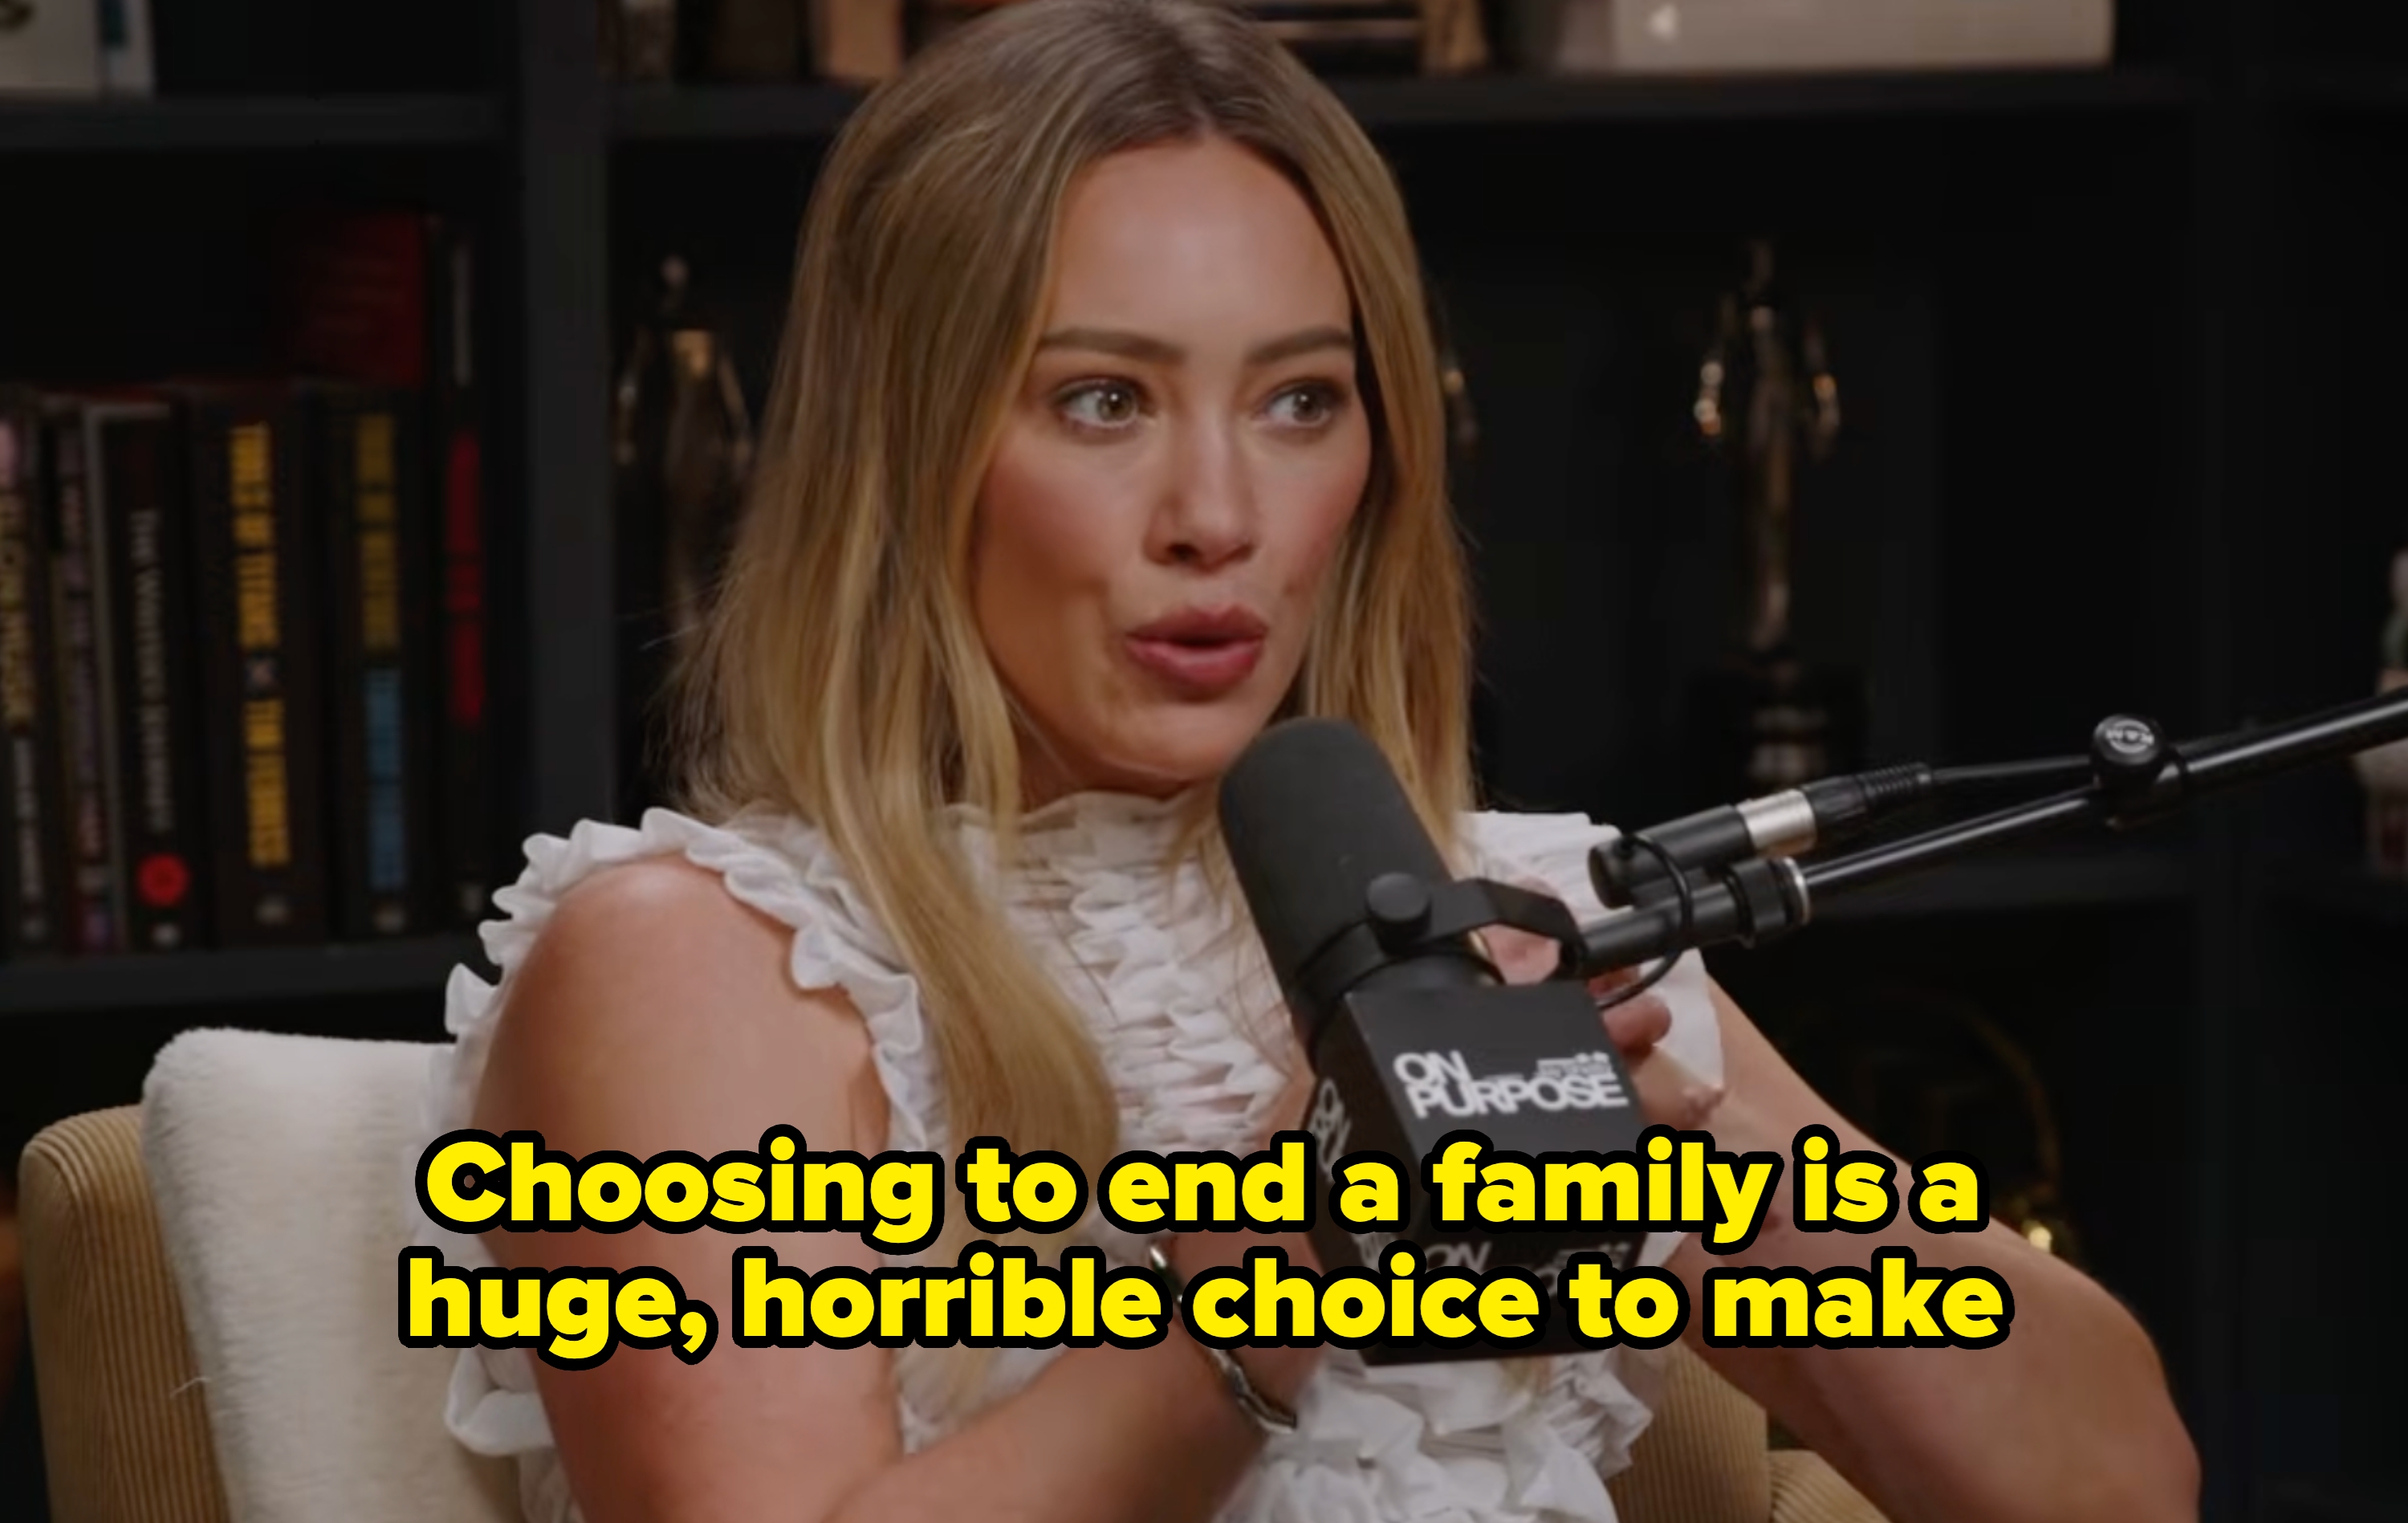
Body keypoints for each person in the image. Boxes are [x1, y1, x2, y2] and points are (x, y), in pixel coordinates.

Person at [421, 2, 2200, 1519]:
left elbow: (2120, 1488)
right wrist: (1278, 1273)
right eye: (1103, 399)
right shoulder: (712, 959)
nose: (1220, 515)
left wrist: (1711, 1184)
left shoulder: (1531, 910)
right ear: (907, 452)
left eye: (1299, 401)